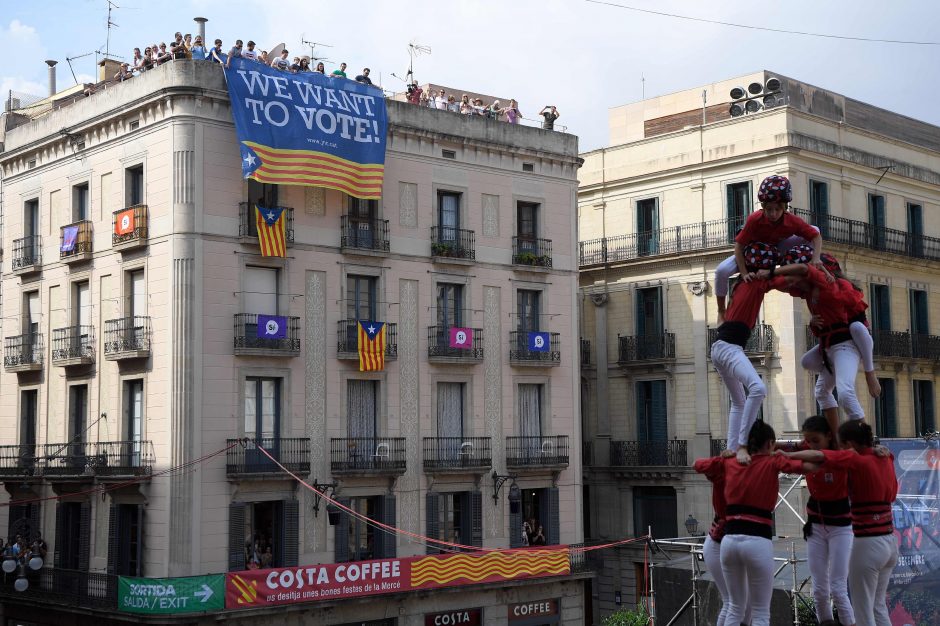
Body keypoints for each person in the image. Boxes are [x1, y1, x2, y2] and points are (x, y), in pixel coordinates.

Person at [713, 245, 832, 461]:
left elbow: (722, 272)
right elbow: (791, 281)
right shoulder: (756, 282)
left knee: (739, 401)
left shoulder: (742, 282)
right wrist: (816, 271)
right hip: (728, 347)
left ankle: (731, 448)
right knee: (758, 388)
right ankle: (741, 445)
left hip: (721, 348)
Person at [783, 420, 898, 626]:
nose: (841, 449)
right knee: (877, 606)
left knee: (863, 613)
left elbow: (819, 455)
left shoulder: (855, 459)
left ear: (850, 444)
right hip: (889, 540)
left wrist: (787, 455)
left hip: (868, 543)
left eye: (842, 444)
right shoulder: (885, 457)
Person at [718, 420, 817, 626]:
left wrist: (726, 455)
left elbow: (698, 465)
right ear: (771, 443)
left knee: (735, 608)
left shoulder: (732, 462)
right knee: (761, 612)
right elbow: (809, 466)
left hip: (728, 541)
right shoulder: (772, 462)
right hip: (757, 540)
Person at [715, 175, 822, 322]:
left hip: (777, 248)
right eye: (769, 209)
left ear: (784, 208)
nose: (773, 214)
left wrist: (815, 258)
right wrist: (745, 273)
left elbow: (816, 236)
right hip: (751, 253)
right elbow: (739, 247)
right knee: (721, 270)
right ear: (763, 208)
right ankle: (721, 311)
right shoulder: (754, 219)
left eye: (777, 209)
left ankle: (801, 267)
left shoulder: (791, 220)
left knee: (815, 228)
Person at [789, 416, 855, 626]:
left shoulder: (841, 456)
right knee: (818, 589)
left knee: (838, 588)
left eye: (815, 440)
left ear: (828, 436)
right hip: (816, 526)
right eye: (807, 441)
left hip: (841, 528)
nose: (811, 445)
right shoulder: (808, 450)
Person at [694, 454, 751, 626]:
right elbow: (698, 464)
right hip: (718, 546)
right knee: (733, 602)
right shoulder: (723, 477)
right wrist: (722, 458)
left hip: (735, 547)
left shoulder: (749, 477)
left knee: (746, 604)